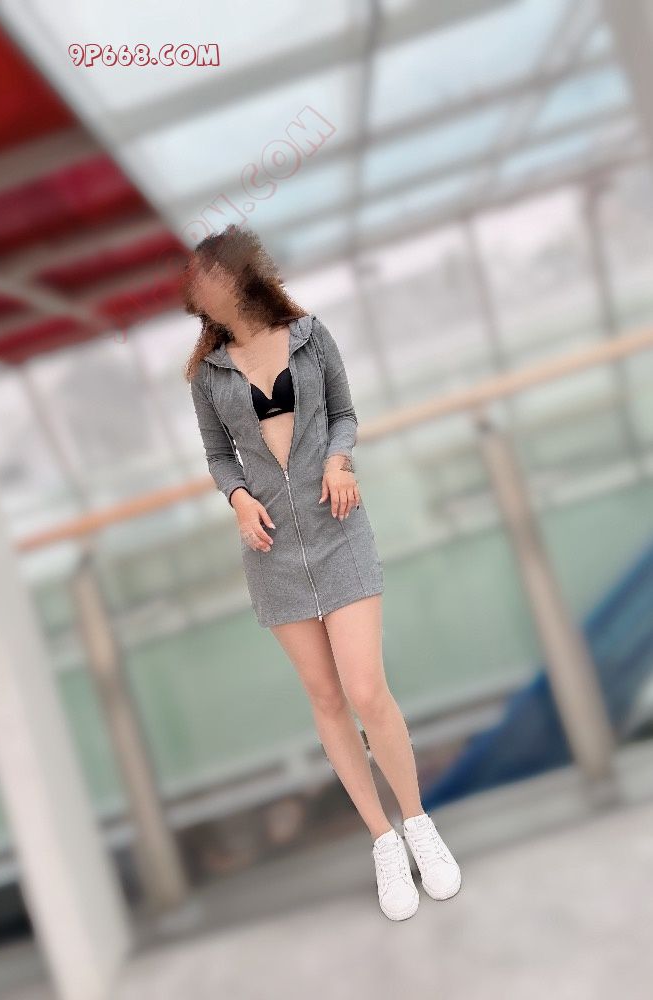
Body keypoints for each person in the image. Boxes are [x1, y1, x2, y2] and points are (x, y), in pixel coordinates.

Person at [184, 224, 460, 920]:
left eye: (205, 277)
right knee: (326, 698)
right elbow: (218, 456)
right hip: (273, 550)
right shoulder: (208, 375)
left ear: (238, 276)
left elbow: (343, 414)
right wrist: (238, 499)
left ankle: (418, 824)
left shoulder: (310, 337)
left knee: (366, 689)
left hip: (338, 530)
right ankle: (382, 840)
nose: (196, 291)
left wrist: (339, 462)